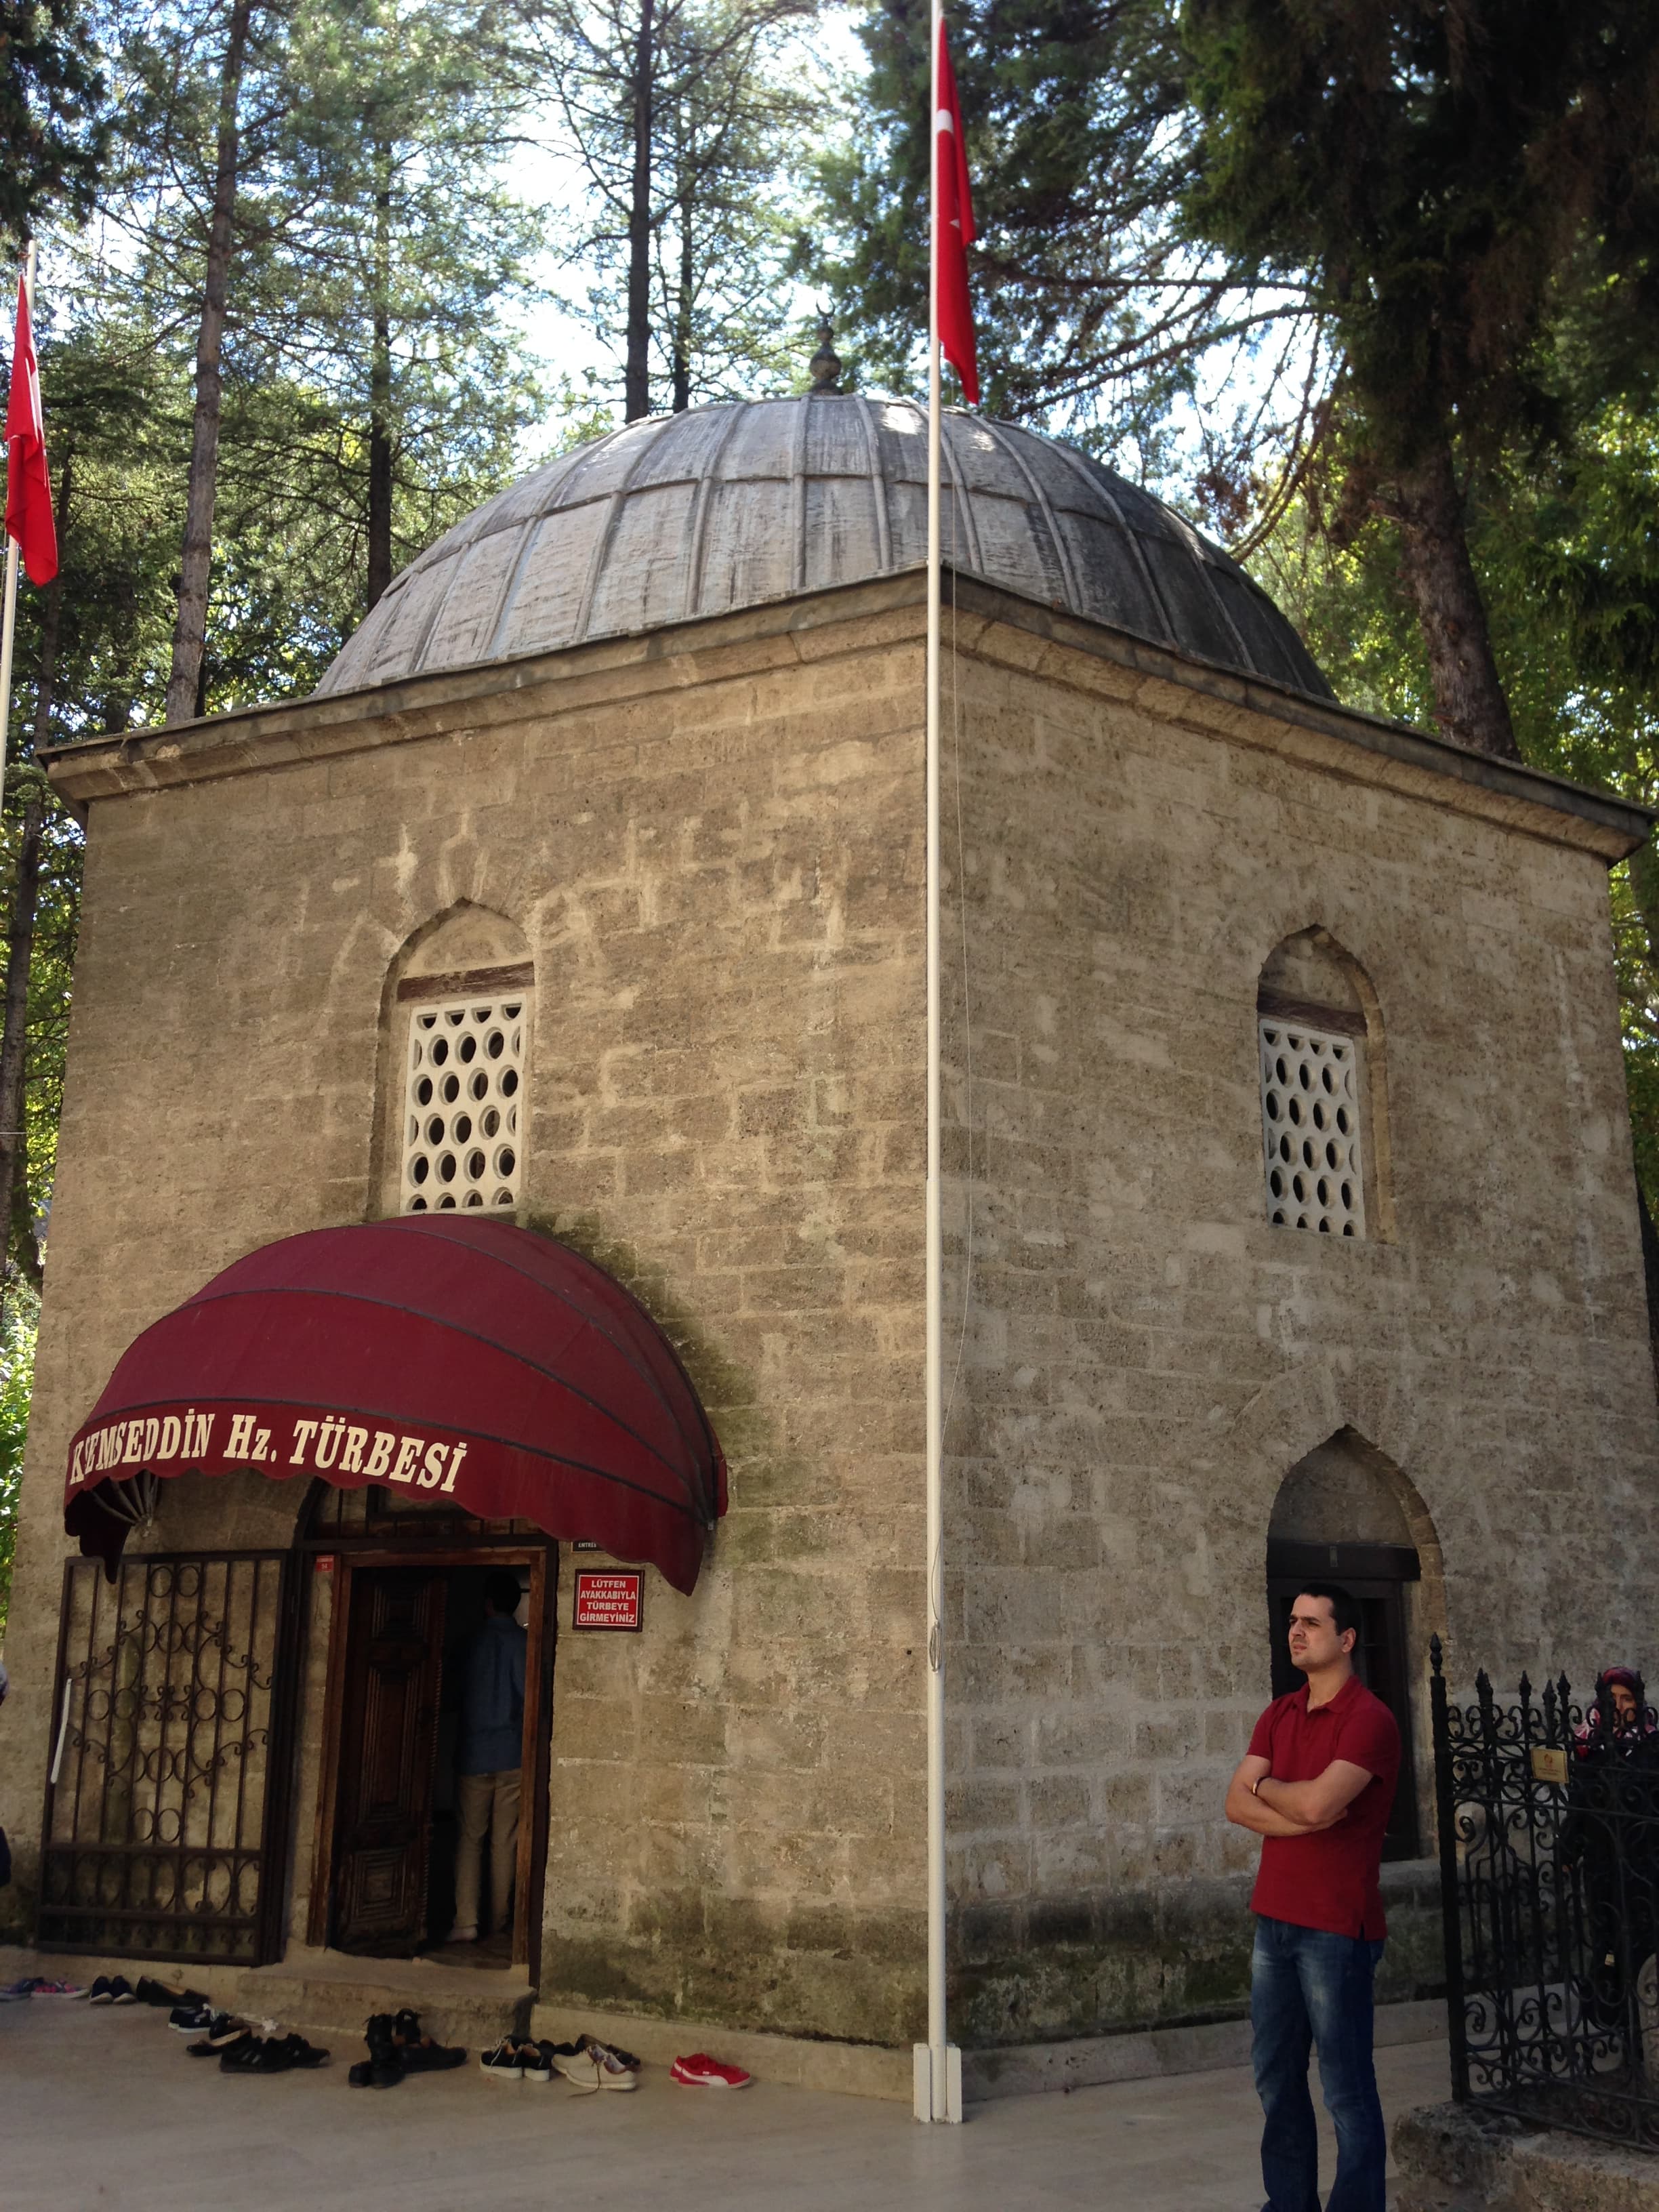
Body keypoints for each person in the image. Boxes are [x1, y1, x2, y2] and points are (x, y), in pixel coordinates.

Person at [1225, 1582, 1401, 2212]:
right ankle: (1289, 2205)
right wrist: (1293, 1801)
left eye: (1312, 1624)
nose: (1296, 1632)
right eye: (1293, 1621)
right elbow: (1235, 1802)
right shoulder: (1278, 1714)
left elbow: (1323, 1803)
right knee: (1275, 2079)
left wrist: (1270, 1787)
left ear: (1346, 1638)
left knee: (1345, 2090)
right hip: (1273, 1921)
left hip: (1336, 1929)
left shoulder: (1370, 1720)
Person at [1561, 1664, 1659, 2043]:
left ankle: (1643, 2024)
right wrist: (1570, 1846)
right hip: (1602, 1859)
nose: (1620, 1706)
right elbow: (1579, 1803)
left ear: (1639, 1702)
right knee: (1607, 1935)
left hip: (1643, 1860)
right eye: (1612, 1699)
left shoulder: (1651, 1744)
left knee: (1643, 1935)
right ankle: (1612, 2014)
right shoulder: (1589, 1745)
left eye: (1627, 1698)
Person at [449, 1570, 527, 1944]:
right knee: (505, 1840)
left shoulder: (472, 1643)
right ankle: (498, 1920)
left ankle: (466, 1921)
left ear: (488, 1603)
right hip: (513, 1754)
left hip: (473, 1753)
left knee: (469, 1837)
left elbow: (453, 1695)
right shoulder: (525, 1643)